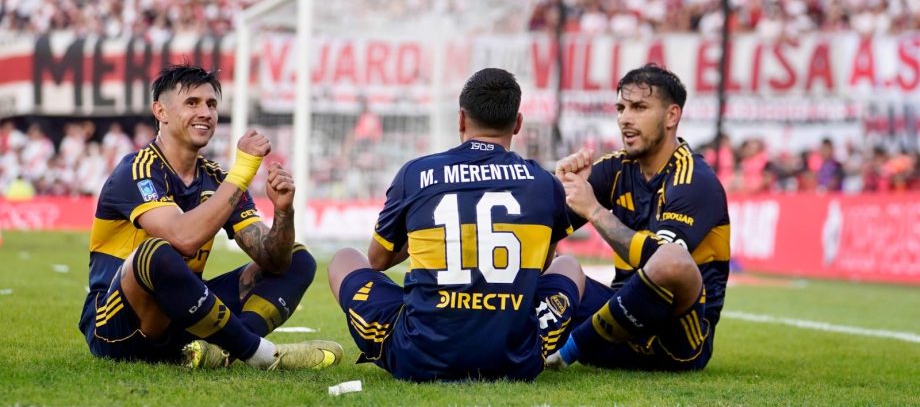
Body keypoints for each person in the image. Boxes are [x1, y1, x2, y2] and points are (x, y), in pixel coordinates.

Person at [327, 68, 585, 382]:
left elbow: (377, 261)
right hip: (514, 359)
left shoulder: (416, 173)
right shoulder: (545, 184)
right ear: (518, 123)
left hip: (419, 356)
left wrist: (428, 235)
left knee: (344, 259)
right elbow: (542, 266)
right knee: (569, 266)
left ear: (461, 119)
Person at [78, 65, 343, 370]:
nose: (205, 112)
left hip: (181, 318)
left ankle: (223, 353)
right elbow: (183, 238)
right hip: (118, 327)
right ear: (160, 111)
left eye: (211, 104)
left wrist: (284, 212)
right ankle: (259, 353)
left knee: (298, 259)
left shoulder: (219, 179)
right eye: (192, 103)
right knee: (156, 252)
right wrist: (243, 171)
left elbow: (274, 262)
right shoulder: (138, 170)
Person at [547, 63, 730, 371]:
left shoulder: (695, 180)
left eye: (639, 107)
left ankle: (568, 351)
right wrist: (558, 186)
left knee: (671, 260)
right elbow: (544, 229)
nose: (625, 118)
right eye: (621, 107)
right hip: (619, 326)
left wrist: (594, 211)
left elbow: (664, 261)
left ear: (672, 116)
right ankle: (520, 344)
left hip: (677, 341)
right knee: (561, 266)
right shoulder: (614, 169)